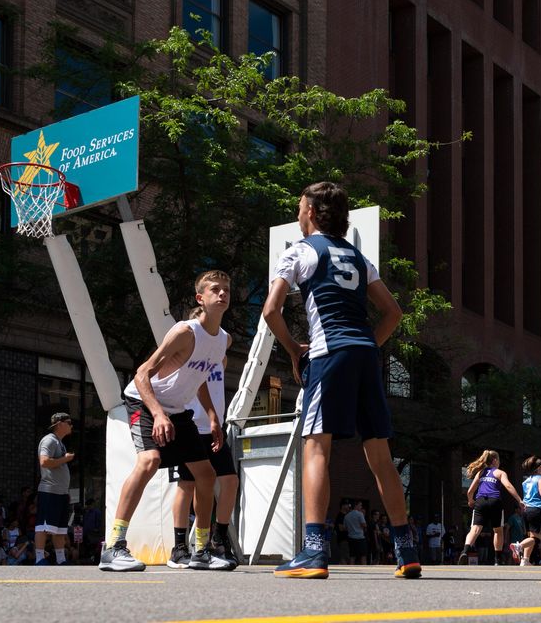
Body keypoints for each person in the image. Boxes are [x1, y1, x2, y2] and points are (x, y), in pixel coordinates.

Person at [264, 182, 421, 579]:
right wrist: (367, 344)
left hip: (328, 353)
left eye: (300, 208)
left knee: (316, 447)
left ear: (313, 213)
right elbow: (393, 312)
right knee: (381, 456)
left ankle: (314, 552)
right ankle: (407, 552)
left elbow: (270, 311)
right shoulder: (357, 254)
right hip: (366, 355)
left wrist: (294, 350)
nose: (298, 215)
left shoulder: (299, 251)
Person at [99, 270, 231, 572]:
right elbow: (142, 373)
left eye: (226, 289)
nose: (222, 294)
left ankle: (201, 551)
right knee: (149, 461)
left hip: (177, 408)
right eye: (215, 289)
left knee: (207, 475)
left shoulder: (223, 340)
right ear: (201, 298)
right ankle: (114, 546)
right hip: (143, 401)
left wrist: (212, 417)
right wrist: (157, 413)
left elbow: (198, 381)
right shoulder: (185, 332)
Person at [166, 319, 239, 571]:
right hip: (191, 425)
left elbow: (227, 338)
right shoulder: (188, 354)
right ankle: (179, 547)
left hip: (214, 428)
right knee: (188, 484)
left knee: (230, 480)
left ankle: (219, 537)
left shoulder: (219, 356)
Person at [457, 450, 523, 565]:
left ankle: (465, 552)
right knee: (498, 530)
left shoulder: (480, 473)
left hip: (481, 501)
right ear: (495, 460)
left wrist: (470, 501)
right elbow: (508, 485)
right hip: (495, 501)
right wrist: (519, 500)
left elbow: (469, 491)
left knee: (475, 529)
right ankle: (497, 559)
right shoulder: (499, 472)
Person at [34, 412, 76, 565]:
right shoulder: (49, 440)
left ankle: (61, 559)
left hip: (60, 493)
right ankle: (39, 558)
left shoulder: (59, 442)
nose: (71, 425)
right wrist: (65, 459)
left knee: (59, 528)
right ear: (59, 424)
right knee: (43, 526)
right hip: (49, 490)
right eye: (69, 422)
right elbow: (44, 461)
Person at [511, 456, 541, 567]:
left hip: (526, 510)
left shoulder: (526, 480)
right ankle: (518, 546)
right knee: (536, 540)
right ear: (538, 468)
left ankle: (525, 560)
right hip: (537, 510)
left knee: (531, 536)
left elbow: (536, 486)